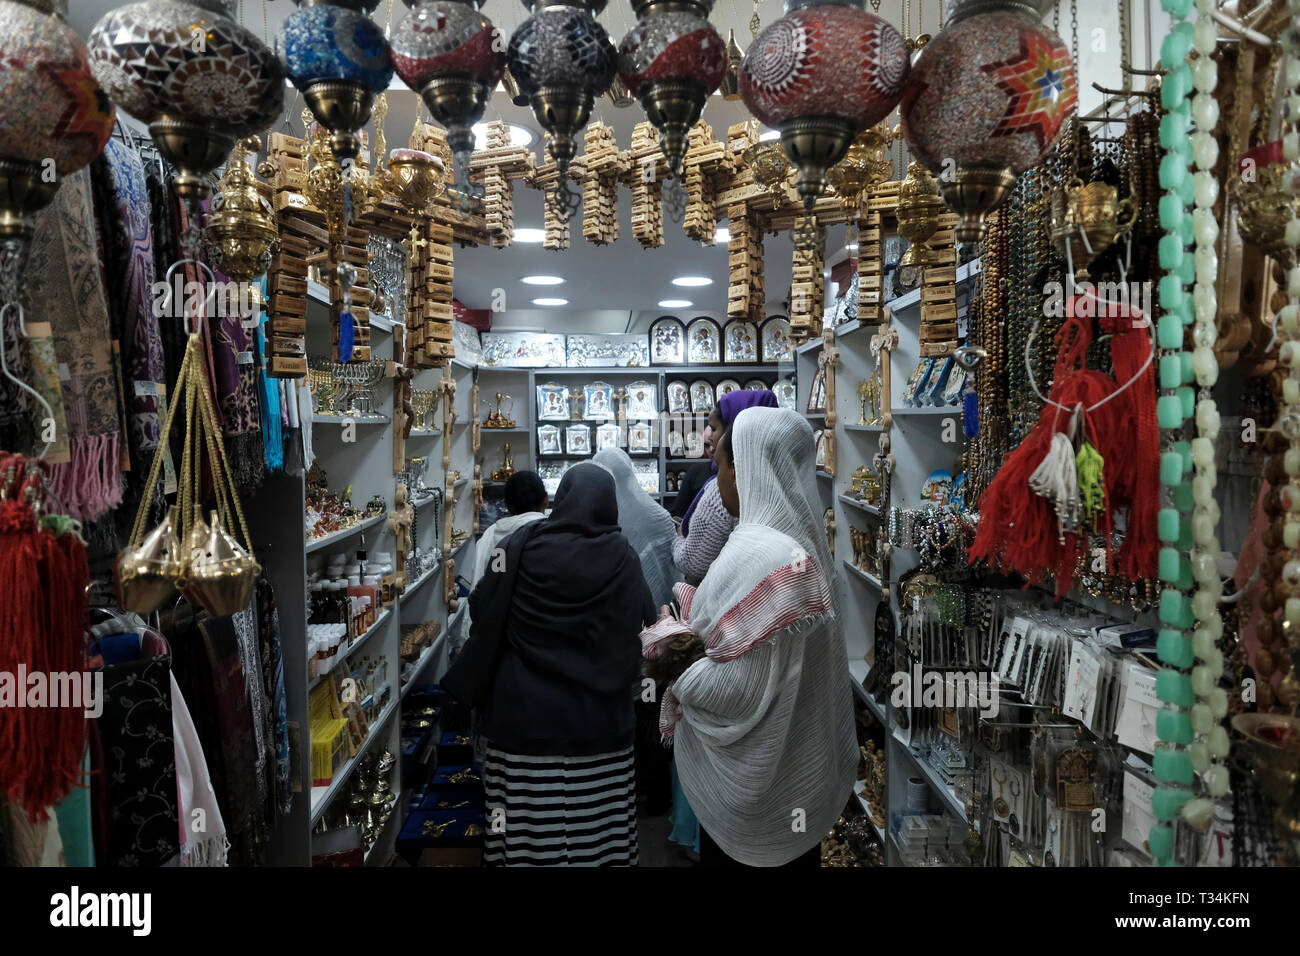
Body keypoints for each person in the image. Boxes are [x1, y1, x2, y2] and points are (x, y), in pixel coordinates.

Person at [641, 407, 858, 867]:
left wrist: (670, 639)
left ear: (744, 469)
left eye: (720, 466)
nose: (717, 481)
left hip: (755, 793)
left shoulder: (758, 553)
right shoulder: (802, 545)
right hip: (798, 780)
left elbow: (732, 692)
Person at [445, 463, 655, 866]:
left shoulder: (519, 546)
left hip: (523, 728)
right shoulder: (623, 557)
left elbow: (482, 606)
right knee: (600, 838)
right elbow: (643, 622)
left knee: (525, 839)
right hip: (601, 732)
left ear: (559, 502)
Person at [673, 389, 778, 585]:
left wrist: (679, 537)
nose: (709, 436)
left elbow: (691, 562)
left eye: (714, 428)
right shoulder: (778, 477)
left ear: (734, 428)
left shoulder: (723, 489)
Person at [592, 447, 679, 608]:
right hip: (663, 612)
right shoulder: (658, 515)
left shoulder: (596, 518)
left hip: (617, 612)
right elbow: (673, 569)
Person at [469, 470, 548, 591]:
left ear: (507, 506)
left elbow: (477, 586)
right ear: (546, 501)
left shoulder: (490, 535)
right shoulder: (555, 534)